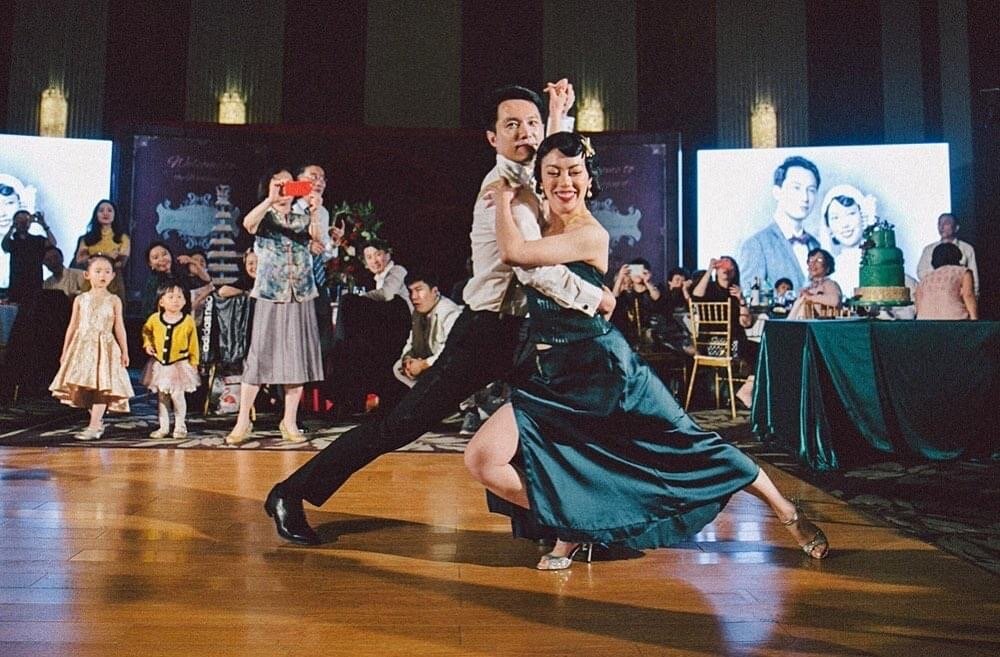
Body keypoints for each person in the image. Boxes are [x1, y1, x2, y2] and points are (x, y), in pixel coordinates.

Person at [263, 81, 615, 545]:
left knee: (548, 420)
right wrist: (597, 298)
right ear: (492, 138)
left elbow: (551, 157)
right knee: (402, 424)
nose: (526, 132)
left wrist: (557, 115)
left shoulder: (532, 174)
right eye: (512, 125)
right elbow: (532, 269)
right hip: (486, 330)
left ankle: (549, 522)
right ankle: (291, 493)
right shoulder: (500, 189)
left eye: (530, 123)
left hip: (526, 331)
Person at [465, 131, 829, 569]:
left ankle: (785, 511)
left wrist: (503, 202)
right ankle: (576, 525)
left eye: (574, 173)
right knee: (484, 458)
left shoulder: (589, 234)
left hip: (606, 372)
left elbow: (515, 252)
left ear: (589, 180)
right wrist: (555, 120)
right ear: (540, 179)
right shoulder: (544, 219)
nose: (565, 181)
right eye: (553, 173)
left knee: (690, 446)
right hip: (552, 375)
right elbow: (545, 163)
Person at [224, 167, 325, 446]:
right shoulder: (265, 216)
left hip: (300, 293)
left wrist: (316, 209)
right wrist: (270, 199)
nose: (284, 190)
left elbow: (317, 238)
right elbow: (248, 224)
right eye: (278, 184)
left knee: (296, 359)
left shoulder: (302, 216)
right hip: (271, 293)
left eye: (288, 185)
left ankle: (289, 420)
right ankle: (243, 420)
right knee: (260, 357)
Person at [49, 255, 134, 440]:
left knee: (102, 386)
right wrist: (65, 351)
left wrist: (125, 350)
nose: (102, 275)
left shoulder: (114, 300)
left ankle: (94, 425)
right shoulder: (81, 299)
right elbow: (73, 325)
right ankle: (97, 421)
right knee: (85, 387)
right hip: (82, 348)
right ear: (87, 275)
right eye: (98, 271)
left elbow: (119, 326)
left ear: (112, 276)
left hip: (105, 347)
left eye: (107, 271)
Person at [738, 156, 822, 289]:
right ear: (777, 192)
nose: (805, 197)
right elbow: (751, 298)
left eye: (811, 190)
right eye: (796, 188)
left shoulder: (814, 244)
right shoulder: (756, 244)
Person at [691, 256, 757, 409]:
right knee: (755, 350)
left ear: (734, 272)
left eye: (730, 267)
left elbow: (746, 323)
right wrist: (708, 270)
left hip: (735, 343)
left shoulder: (735, 293)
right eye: (722, 266)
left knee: (765, 350)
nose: (726, 269)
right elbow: (695, 296)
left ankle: (746, 390)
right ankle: (743, 393)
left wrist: (741, 300)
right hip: (713, 345)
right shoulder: (709, 289)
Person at [141, 283, 201, 438]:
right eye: (171, 297)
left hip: (179, 365)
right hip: (161, 365)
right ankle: (164, 426)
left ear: (185, 301)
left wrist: (194, 361)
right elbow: (146, 332)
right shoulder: (154, 319)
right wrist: (148, 344)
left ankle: (180, 425)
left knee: (177, 395)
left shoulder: (187, 321)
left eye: (179, 297)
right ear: (161, 301)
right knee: (162, 396)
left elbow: (193, 342)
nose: (176, 300)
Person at [393, 270, 462, 389]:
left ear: (434, 291)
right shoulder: (418, 313)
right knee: (398, 367)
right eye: (410, 291)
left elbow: (452, 352)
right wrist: (407, 359)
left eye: (419, 290)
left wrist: (423, 365)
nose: (413, 297)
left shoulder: (449, 312)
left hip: (447, 368)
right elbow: (411, 341)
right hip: (427, 363)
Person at [819, 184, 875, 296]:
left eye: (851, 214)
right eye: (835, 218)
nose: (844, 224)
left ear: (863, 216)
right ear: (828, 227)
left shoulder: (879, 262)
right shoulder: (829, 272)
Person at [73, 200, 130, 299]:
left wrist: (95, 256)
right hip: (91, 281)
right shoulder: (86, 239)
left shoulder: (122, 238)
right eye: (101, 210)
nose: (105, 213)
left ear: (115, 215)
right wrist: (106, 255)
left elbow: (121, 263)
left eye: (109, 210)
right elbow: (80, 260)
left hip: (113, 281)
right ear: (96, 215)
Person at [610, 257, 667, 348]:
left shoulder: (655, 289)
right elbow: (614, 299)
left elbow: (658, 299)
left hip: (655, 330)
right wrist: (620, 277)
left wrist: (647, 281)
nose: (637, 274)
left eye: (640, 270)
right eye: (634, 270)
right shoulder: (627, 294)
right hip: (631, 333)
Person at [916, 213, 978, 297]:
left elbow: (974, 276)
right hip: (935, 296)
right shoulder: (928, 250)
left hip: (959, 297)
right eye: (939, 223)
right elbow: (921, 272)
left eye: (946, 223)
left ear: (956, 227)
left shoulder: (966, 249)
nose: (941, 227)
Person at [915, 242, 978, 320]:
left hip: (925, 324)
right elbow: (968, 295)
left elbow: (918, 304)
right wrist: (975, 320)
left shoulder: (924, 279)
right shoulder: (963, 272)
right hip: (954, 321)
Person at [3, 209, 54, 302]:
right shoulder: (14, 242)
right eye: (20, 221)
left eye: (25, 221)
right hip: (17, 286)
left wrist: (44, 224)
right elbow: (4, 246)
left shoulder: (36, 240)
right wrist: (12, 228)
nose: (23, 224)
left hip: (35, 284)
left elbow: (52, 243)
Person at [788, 248, 843, 319]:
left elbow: (835, 300)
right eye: (810, 260)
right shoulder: (808, 287)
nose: (813, 264)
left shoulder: (829, 284)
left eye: (818, 260)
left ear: (827, 268)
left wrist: (810, 297)